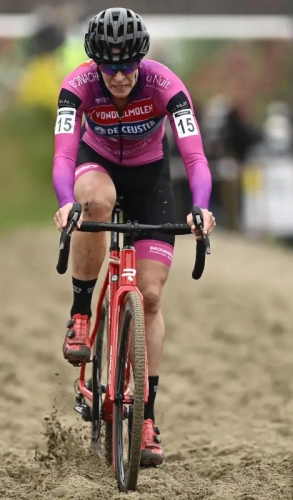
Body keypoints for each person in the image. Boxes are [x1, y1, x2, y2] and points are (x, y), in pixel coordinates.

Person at [51, 7, 216, 467]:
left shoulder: (167, 87)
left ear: (141, 59)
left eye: (128, 66)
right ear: (95, 63)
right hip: (95, 167)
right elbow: (64, 155)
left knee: (150, 295)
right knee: (96, 204)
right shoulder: (76, 87)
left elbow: (196, 157)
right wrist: (66, 201)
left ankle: (145, 416)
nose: (120, 76)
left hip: (150, 181)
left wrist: (201, 206)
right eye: (110, 67)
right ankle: (81, 312)